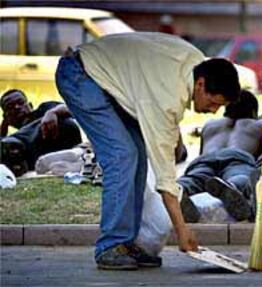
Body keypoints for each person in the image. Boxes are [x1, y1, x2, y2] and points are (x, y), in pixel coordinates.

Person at [55, 32, 241, 270]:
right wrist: (182, 231)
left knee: (138, 158)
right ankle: (110, 246)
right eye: (214, 102)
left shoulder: (196, 62)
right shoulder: (165, 98)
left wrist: (175, 137)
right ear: (201, 84)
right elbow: (165, 179)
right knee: (122, 156)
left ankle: (126, 244)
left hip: (114, 82)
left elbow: (164, 106)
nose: (213, 111)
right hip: (81, 75)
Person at [178, 90, 262, 223]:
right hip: (237, 157)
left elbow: (202, 151)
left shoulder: (210, 124)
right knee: (241, 176)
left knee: (194, 178)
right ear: (253, 111)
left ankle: (181, 190)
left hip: (205, 159)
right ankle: (232, 186)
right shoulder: (259, 125)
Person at [0, 89, 82, 176]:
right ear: (6, 117)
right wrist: (3, 128)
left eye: (20, 103)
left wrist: (53, 112)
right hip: (38, 160)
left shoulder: (45, 109)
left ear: (30, 106)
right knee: (10, 145)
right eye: (10, 107)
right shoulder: (14, 140)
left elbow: (73, 109)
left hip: (68, 147)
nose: (16, 107)